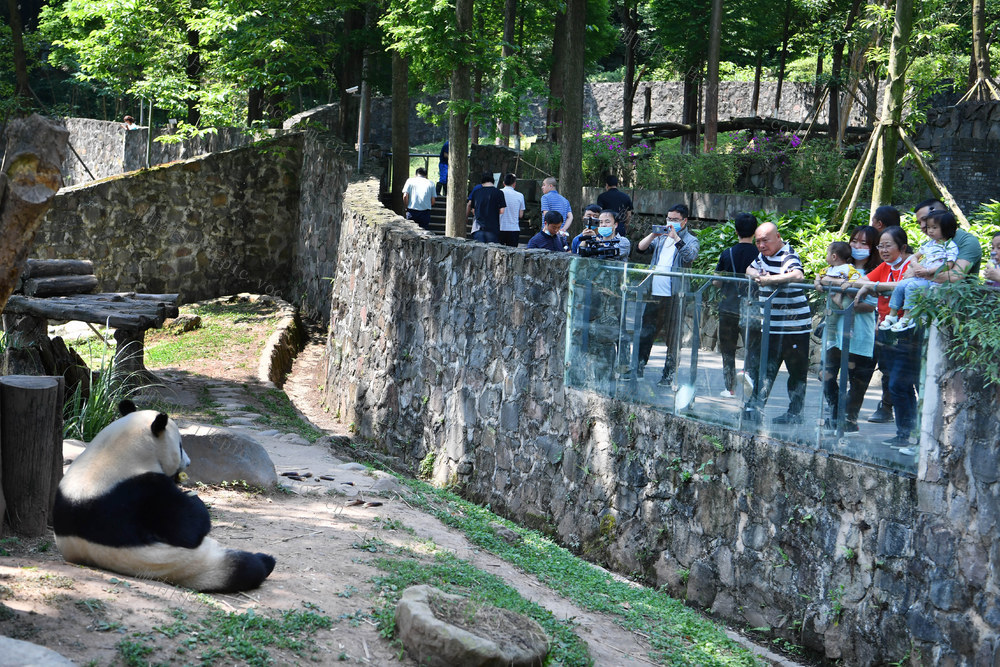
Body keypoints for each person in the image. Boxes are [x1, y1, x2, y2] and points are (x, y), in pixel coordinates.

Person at [852, 226, 919, 450]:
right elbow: (860, 281)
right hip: (886, 330)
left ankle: (912, 434)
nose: (883, 250)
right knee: (895, 383)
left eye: (888, 245)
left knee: (900, 383)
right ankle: (904, 433)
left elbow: (906, 285)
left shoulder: (912, 265)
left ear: (903, 247)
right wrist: (871, 286)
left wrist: (875, 287)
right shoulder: (885, 266)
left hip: (907, 331)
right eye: (880, 246)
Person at [742, 222, 811, 425]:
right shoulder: (763, 256)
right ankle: (754, 408)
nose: (762, 245)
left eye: (766, 240)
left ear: (778, 237)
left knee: (796, 371)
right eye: (758, 242)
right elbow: (749, 269)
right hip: (771, 324)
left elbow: (798, 275)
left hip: (794, 326)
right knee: (764, 368)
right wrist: (757, 275)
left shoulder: (787, 255)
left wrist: (771, 280)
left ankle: (795, 413)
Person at [815, 226, 880, 433]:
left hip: (859, 333)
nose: (857, 246)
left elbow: (870, 305)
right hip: (835, 333)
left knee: (857, 380)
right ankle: (836, 412)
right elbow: (823, 278)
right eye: (855, 241)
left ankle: (848, 420)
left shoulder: (875, 271)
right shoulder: (840, 266)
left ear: (873, 247)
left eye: (864, 243)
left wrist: (844, 300)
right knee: (825, 374)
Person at [637, 204, 700, 385]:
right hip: (654, 293)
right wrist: (653, 235)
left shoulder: (691, 240)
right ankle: (638, 368)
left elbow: (690, 256)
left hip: (675, 295)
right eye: (668, 219)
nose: (670, 222)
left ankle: (668, 375)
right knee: (646, 333)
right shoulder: (661, 238)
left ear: (684, 221)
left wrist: (676, 238)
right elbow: (641, 248)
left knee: (673, 337)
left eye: (675, 220)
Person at [880, 209, 958, 332]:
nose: (930, 231)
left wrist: (928, 271)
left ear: (946, 228)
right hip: (922, 276)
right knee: (901, 285)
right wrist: (916, 265)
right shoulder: (929, 244)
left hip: (934, 281)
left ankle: (907, 317)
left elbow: (948, 265)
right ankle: (892, 315)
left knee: (911, 287)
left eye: (934, 227)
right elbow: (914, 257)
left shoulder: (950, 246)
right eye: (929, 227)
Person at [713, 212, 759, 398]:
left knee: (728, 349)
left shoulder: (727, 253)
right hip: (751, 308)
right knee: (753, 347)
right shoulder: (760, 254)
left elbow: (716, 281)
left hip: (728, 307)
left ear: (736, 231)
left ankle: (729, 388)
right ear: (755, 232)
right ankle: (749, 378)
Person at [907, 199, 981, 281]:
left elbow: (955, 277)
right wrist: (915, 266)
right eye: (919, 223)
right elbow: (908, 272)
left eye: (925, 219)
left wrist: (921, 274)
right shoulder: (931, 242)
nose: (922, 226)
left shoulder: (968, 241)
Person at [466, 172, 506, 244]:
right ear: (493, 179)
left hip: (478, 228)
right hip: (493, 228)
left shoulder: (476, 192)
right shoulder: (499, 193)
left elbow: (473, 211)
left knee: (478, 249)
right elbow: (502, 210)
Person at [499, 173, 525, 247]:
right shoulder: (520, 195)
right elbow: (521, 215)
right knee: (512, 252)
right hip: (514, 228)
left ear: (503, 183)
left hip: (500, 227)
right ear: (514, 184)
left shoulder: (498, 192)